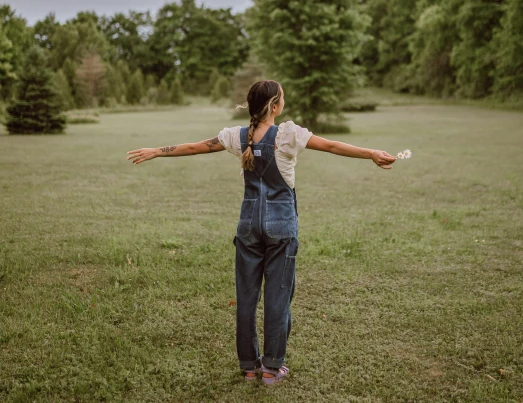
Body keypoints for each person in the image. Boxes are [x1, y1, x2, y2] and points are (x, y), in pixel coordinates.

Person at [127, 80, 396, 385]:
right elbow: (333, 146)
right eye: (282, 98)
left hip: (248, 226)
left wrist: (158, 151)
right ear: (275, 106)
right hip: (281, 226)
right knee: (278, 298)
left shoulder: (237, 136)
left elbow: (196, 147)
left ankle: (248, 366)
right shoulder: (289, 135)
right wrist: (372, 152)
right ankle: (271, 368)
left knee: (246, 297)